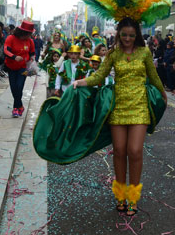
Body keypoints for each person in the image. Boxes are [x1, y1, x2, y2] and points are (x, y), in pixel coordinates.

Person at [71, 17, 167, 216]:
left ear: (137, 35)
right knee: (120, 150)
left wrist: (163, 93)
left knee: (135, 150)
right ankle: (120, 194)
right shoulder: (113, 53)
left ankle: (133, 196)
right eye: (124, 35)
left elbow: (154, 75)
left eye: (132, 35)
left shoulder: (145, 52)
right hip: (118, 106)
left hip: (139, 106)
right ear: (119, 34)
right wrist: (81, 82)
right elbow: (100, 75)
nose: (128, 39)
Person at [3, 20, 35, 118]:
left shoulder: (30, 41)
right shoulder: (11, 38)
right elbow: (5, 50)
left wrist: (33, 58)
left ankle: (15, 108)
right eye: (29, 34)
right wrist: (14, 57)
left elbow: (32, 52)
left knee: (19, 86)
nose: (30, 36)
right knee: (13, 87)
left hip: (23, 67)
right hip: (11, 66)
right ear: (23, 32)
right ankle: (20, 105)